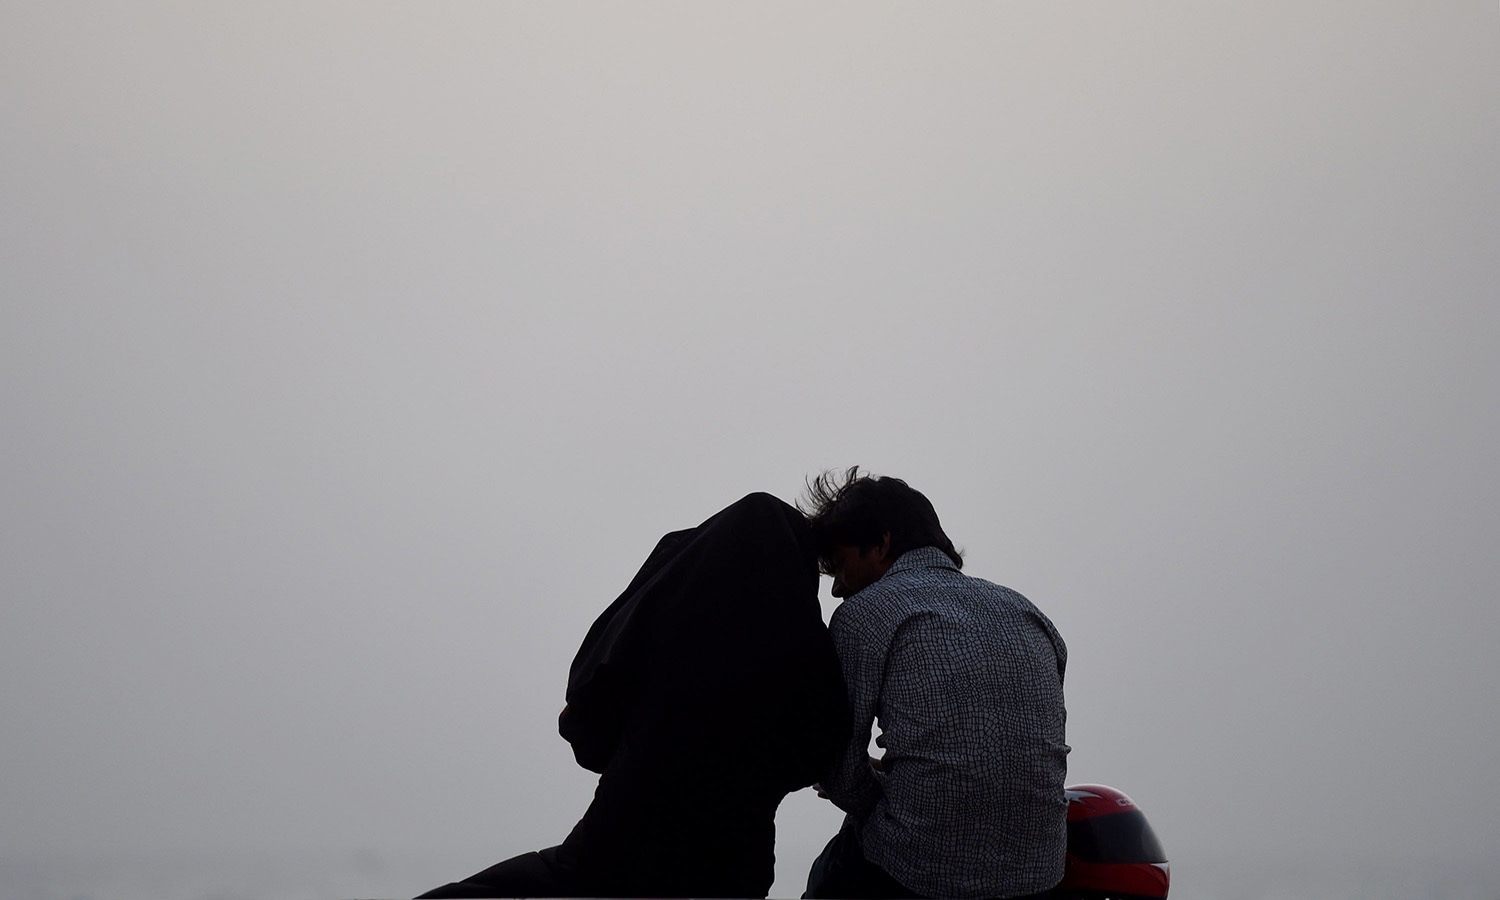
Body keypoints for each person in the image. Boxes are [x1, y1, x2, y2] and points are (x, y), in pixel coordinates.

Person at [417, 492, 850, 899]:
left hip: (623, 830)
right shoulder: (805, 653)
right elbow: (818, 748)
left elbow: (585, 711)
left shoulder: (663, 617)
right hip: (734, 858)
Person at [801, 468, 1069, 900]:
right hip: (1039, 873)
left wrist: (887, 798)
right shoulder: (1029, 613)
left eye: (839, 565)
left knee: (829, 873)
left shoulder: (865, 613)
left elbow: (840, 773)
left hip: (922, 874)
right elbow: (1009, 747)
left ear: (882, 543)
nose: (836, 589)